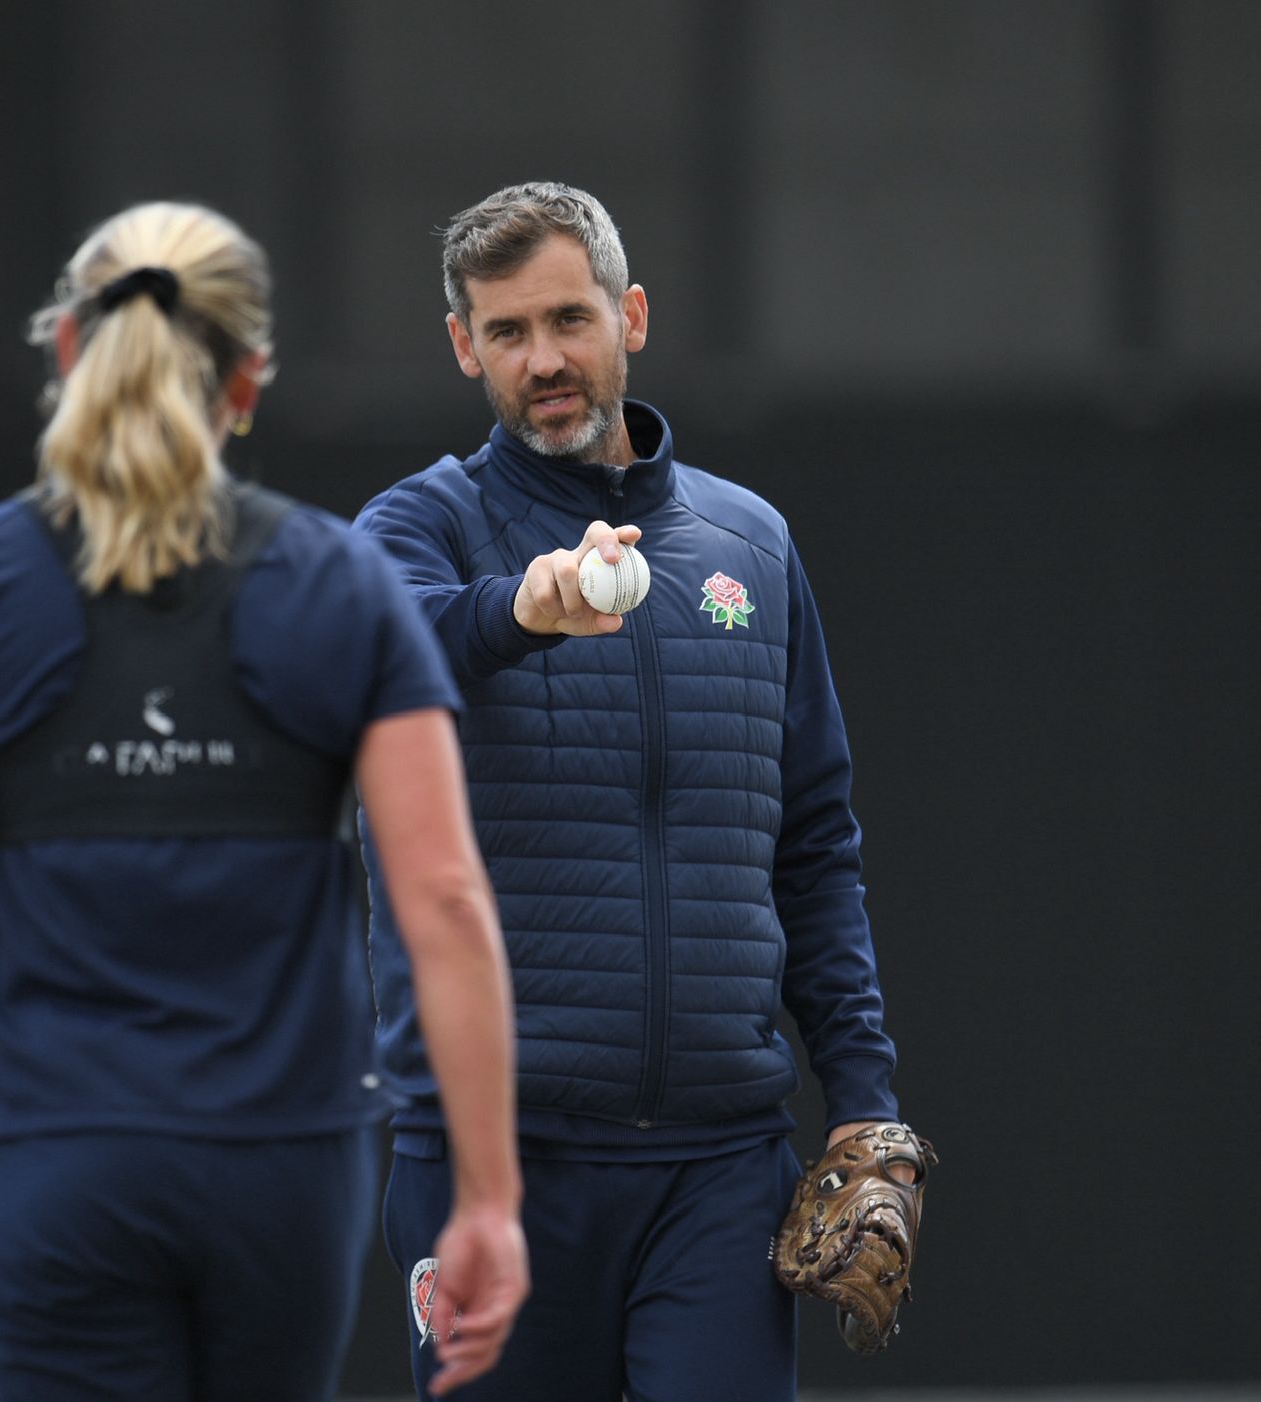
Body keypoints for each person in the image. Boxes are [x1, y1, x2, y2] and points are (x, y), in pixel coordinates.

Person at [0, 200, 527, 1401]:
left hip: (49, 1169)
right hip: (282, 1171)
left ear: (67, 348)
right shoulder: (341, 582)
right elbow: (446, 904)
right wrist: (487, 1200)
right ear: (247, 379)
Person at [352, 181, 909, 1402]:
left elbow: (813, 849)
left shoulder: (749, 546)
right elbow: (375, 655)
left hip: (719, 1164)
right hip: (491, 1159)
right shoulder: (417, 529)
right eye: (505, 332)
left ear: (631, 315)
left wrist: (861, 1103)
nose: (542, 360)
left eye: (568, 319)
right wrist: (520, 608)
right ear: (463, 347)